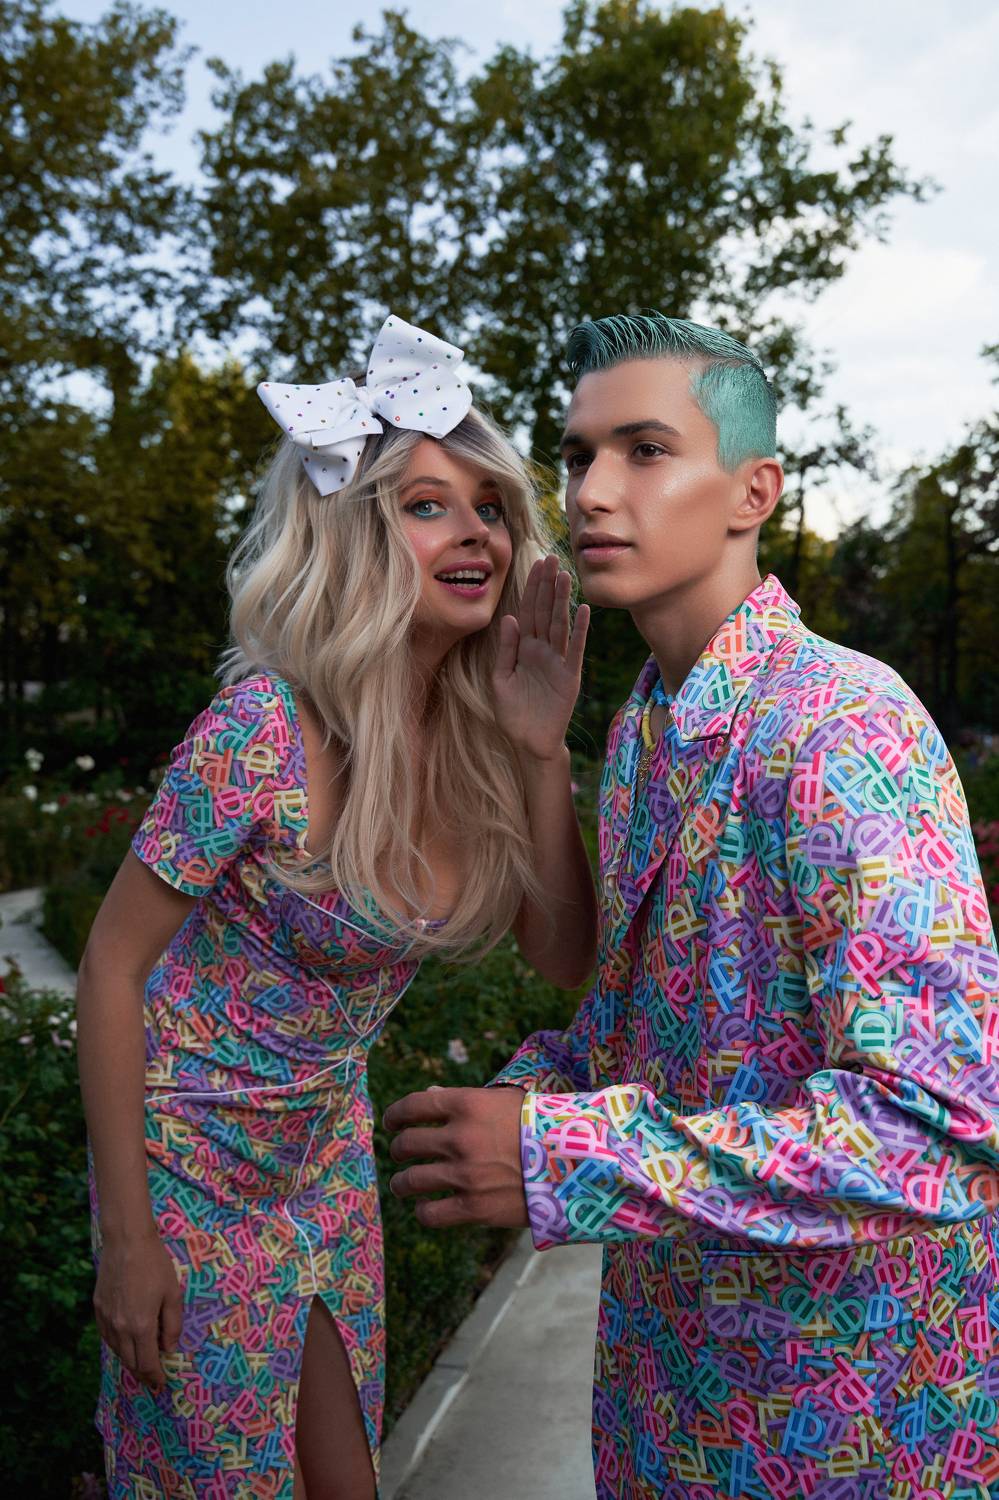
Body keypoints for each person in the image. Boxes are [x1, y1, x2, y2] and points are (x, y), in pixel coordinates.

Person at [385, 313, 999, 1499]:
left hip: (846, 1422)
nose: (590, 492)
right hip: (670, 1396)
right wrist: (526, 1101)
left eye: (646, 450)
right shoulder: (648, 729)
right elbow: (653, 1032)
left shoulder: (842, 727)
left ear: (752, 493)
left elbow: (944, 1131)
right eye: (578, 456)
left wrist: (560, 1155)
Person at [76, 314, 596, 1500]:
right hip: (185, 1168)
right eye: (427, 506)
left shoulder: (478, 745)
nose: (475, 530)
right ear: (357, 535)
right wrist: (128, 1239)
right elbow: (111, 970)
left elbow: (564, 954)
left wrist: (543, 751)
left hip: (321, 1160)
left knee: (345, 1479)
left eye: (489, 506)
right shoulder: (260, 733)